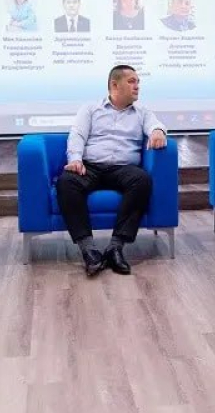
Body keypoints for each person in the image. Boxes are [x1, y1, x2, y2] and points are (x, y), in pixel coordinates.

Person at [57, 65, 167, 277]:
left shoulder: (142, 112)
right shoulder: (90, 109)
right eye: (132, 81)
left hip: (123, 169)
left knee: (142, 180)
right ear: (114, 85)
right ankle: (89, 251)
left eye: (138, 82)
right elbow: (77, 135)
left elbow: (156, 124)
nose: (137, 86)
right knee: (67, 182)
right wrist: (76, 159)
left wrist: (158, 131)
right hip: (91, 166)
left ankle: (115, 248)